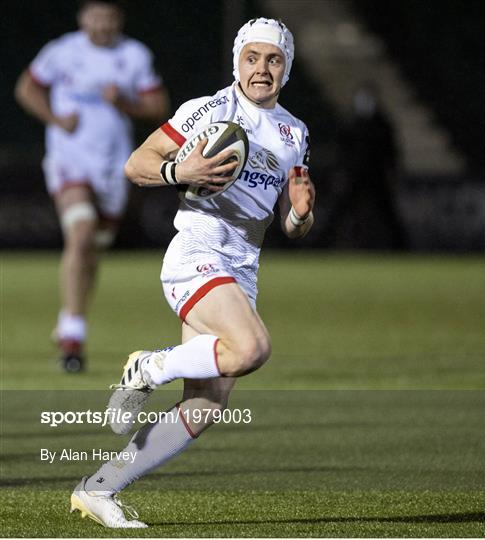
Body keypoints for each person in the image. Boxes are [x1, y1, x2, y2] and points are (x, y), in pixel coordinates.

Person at [69, 18, 316, 528]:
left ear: (286, 68)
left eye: (273, 60)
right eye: (252, 58)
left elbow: (292, 227)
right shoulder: (209, 111)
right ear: (237, 62)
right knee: (252, 349)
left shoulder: (295, 133)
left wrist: (299, 213)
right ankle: (149, 367)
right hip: (198, 250)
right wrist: (178, 172)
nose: (262, 69)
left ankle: (99, 488)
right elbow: (137, 163)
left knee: (204, 407)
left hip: (244, 266)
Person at [14, 0, 169, 372]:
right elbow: (26, 89)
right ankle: (72, 334)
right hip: (70, 160)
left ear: (119, 19)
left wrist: (126, 103)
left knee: (92, 252)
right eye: (95, 17)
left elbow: (158, 105)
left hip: (114, 166)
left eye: (109, 17)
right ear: (83, 18)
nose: (102, 25)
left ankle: (72, 319)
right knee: (81, 235)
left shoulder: (133, 55)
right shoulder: (61, 51)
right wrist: (53, 118)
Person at [331, 82, 407, 249]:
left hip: (376, 175)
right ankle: (323, 245)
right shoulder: (351, 123)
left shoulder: (382, 124)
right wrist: (341, 171)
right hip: (354, 175)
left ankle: (401, 247)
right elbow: (342, 150)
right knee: (339, 211)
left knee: (387, 213)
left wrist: (393, 172)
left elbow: (390, 151)